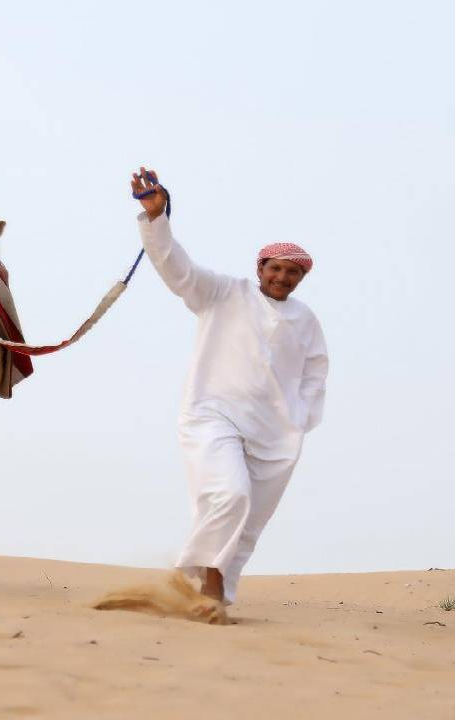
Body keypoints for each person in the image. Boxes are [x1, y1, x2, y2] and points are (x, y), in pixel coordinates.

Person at [131, 167, 328, 604]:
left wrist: (301, 417)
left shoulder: (305, 319)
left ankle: (207, 591)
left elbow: (317, 371)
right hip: (212, 415)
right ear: (261, 268)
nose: (283, 277)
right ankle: (206, 585)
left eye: (293, 273)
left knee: (250, 520)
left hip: (275, 433)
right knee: (228, 494)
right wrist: (157, 219)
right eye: (276, 268)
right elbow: (175, 267)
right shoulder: (224, 292)